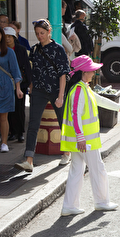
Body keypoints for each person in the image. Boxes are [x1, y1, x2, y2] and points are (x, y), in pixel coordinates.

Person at [59, 55, 120, 216]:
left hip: (80, 140)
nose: (94, 73)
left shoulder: (81, 88)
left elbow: (100, 100)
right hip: (85, 141)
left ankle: (70, 206)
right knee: (98, 169)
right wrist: (81, 138)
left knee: (76, 171)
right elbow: (76, 115)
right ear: (83, 72)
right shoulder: (80, 89)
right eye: (91, 70)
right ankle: (102, 202)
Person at [15, 19, 71, 172]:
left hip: (55, 90)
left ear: (49, 32)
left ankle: (66, 152)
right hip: (38, 91)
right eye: (37, 33)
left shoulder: (58, 49)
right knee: (33, 124)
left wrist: (61, 96)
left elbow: (63, 74)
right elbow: (32, 70)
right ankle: (29, 160)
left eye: (42, 33)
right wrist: (32, 88)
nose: (40, 36)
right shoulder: (34, 50)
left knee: (62, 122)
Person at [5, 27, 32, 142]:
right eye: (5, 37)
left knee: (19, 108)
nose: (7, 39)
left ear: (14, 38)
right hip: (6, 83)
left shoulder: (21, 49)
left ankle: (20, 132)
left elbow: (27, 66)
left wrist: (30, 84)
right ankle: (12, 131)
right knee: (9, 109)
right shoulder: (1, 50)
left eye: (9, 37)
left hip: (21, 83)